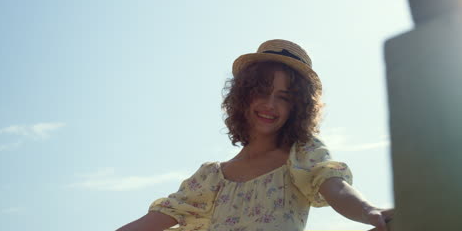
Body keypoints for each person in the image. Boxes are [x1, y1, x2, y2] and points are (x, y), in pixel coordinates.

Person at [116, 39, 394, 231]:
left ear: (298, 108)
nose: (270, 105)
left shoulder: (301, 154)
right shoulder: (210, 178)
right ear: (243, 96)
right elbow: (148, 223)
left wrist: (369, 211)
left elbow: (336, 188)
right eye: (262, 91)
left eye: (284, 97)